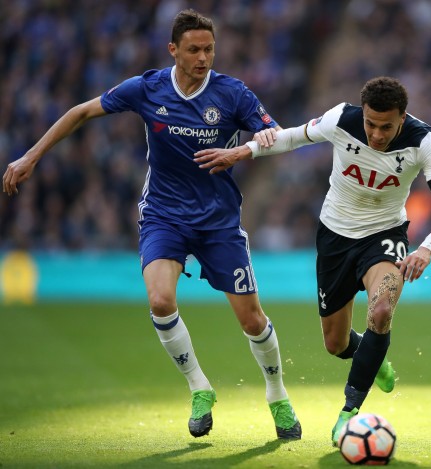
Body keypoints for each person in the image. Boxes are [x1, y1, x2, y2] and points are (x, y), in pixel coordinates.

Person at [2, 9, 301, 440]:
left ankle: (277, 395)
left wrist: (248, 148)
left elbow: (276, 136)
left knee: (252, 320)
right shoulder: (147, 88)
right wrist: (31, 155)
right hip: (164, 214)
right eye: (194, 49)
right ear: (173, 50)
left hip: (218, 222)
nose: (203, 58)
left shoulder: (233, 94)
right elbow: (83, 112)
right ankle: (200, 388)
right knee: (160, 301)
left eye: (209, 49)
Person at [193, 76, 431, 445]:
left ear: (402, 118)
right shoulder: (341, 119)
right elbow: (289, 137)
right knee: (335, 344)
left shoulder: (422, 140)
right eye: (370, 123)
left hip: (384, 238)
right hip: (335, 237)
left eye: (386, 126)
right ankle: (372, 355)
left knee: (381, 311)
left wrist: (426, 248)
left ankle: (348, 413)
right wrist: (244, 151)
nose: (376, 134)